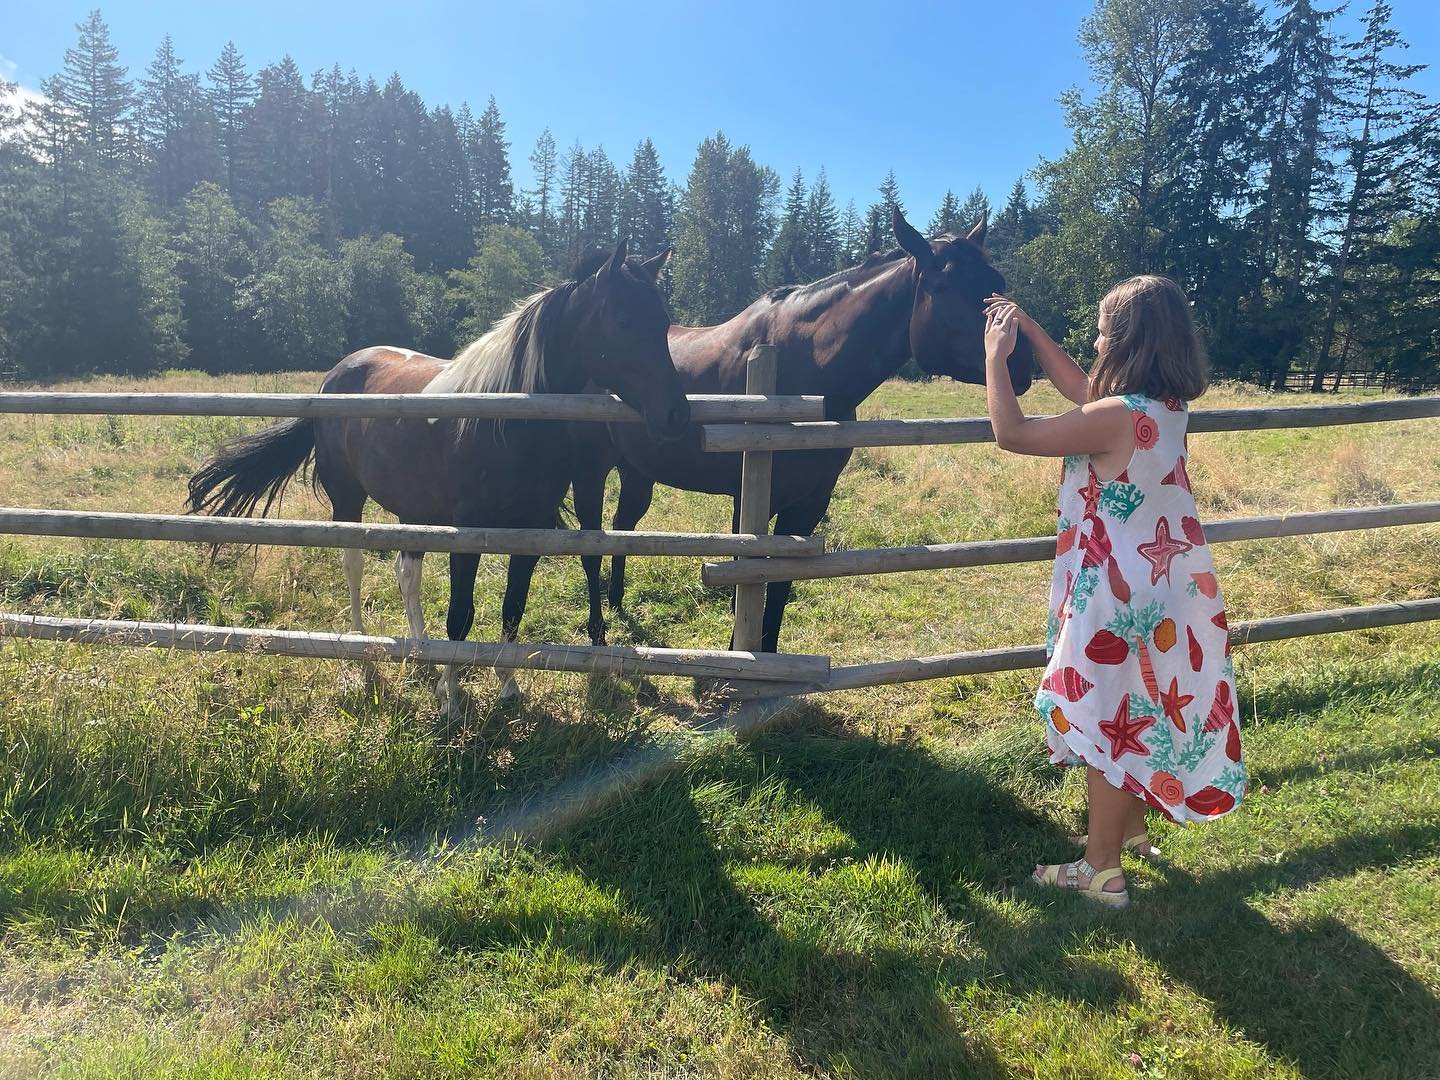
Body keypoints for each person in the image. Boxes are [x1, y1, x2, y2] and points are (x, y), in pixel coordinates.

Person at [982, 277, 1247, 908]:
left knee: (1106, 718)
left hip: (1114, 594)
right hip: (1165, 588)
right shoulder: (1164, 408)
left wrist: (997, 357)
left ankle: (1099, 870)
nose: (1097, 340)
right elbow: (1084, 392)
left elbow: (1012, 433)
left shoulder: (1115, 416)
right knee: (1138, 707)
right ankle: (1129, 831)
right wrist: (1035, 331)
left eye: (1104, 330)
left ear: (1126, 341)